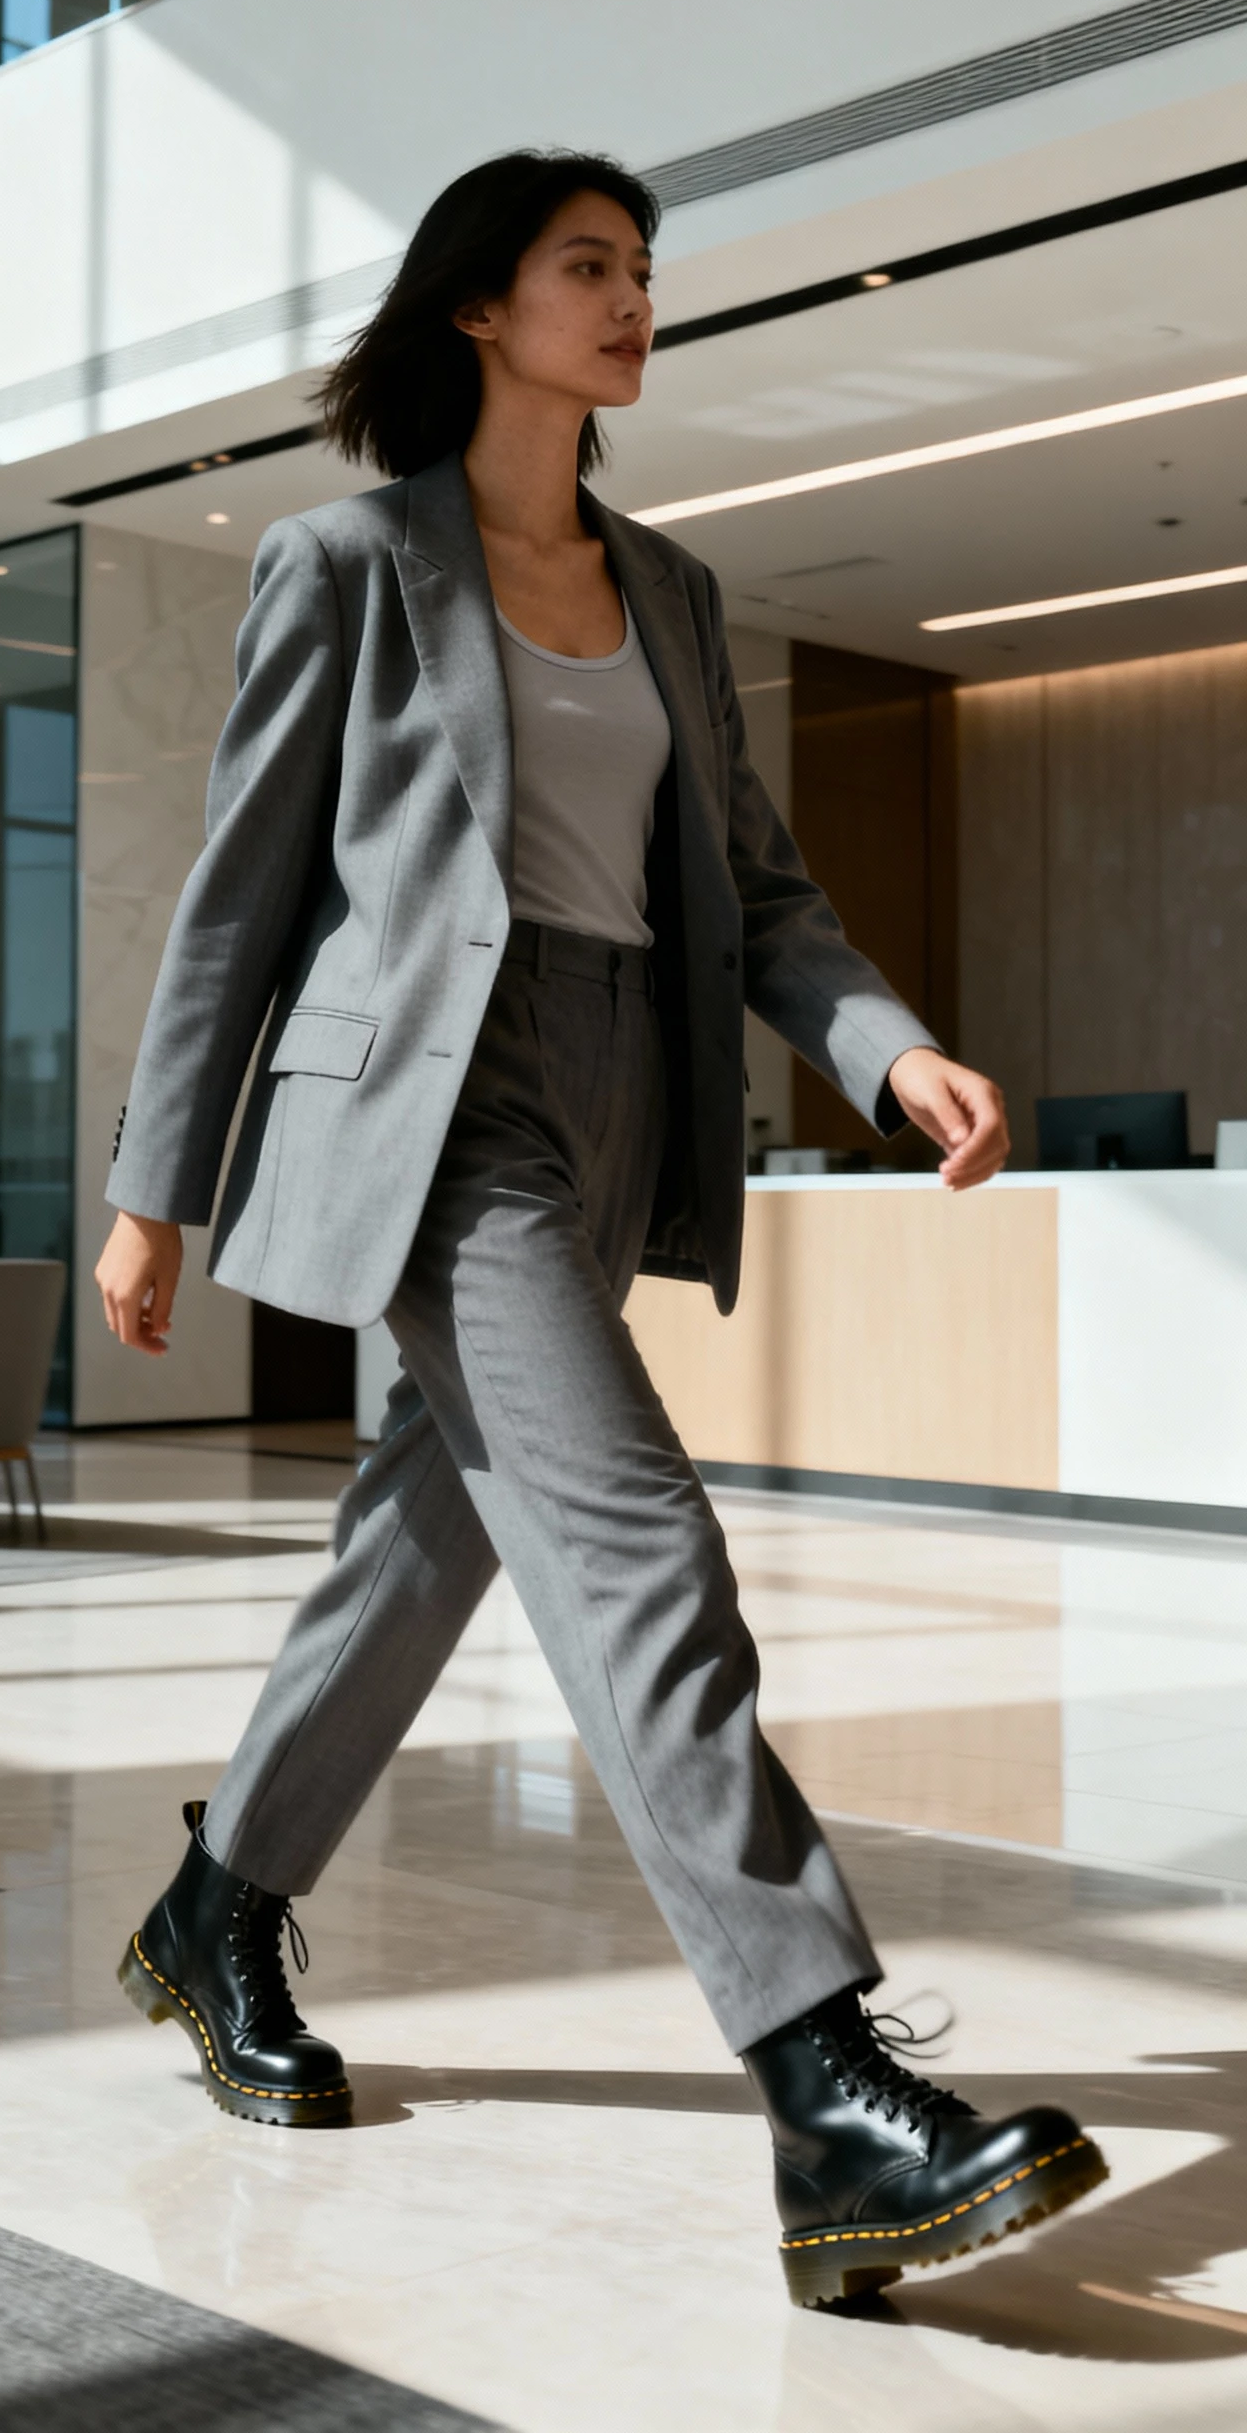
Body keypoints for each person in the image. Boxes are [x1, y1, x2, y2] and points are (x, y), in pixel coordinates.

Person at [97, 149, 1105, 2308]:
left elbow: (759, 887)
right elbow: (239, 903)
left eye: (645, 270)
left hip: (612, 1081)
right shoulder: (347, 562)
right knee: (642, 1535)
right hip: (435, 1119)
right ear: (483, 307)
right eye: (588, 266)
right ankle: (828, 2088)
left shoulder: (671, 585)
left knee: (428, 1533)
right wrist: (149, 1182)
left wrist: (887, 1046)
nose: (633, 299)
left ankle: (214, 1905)